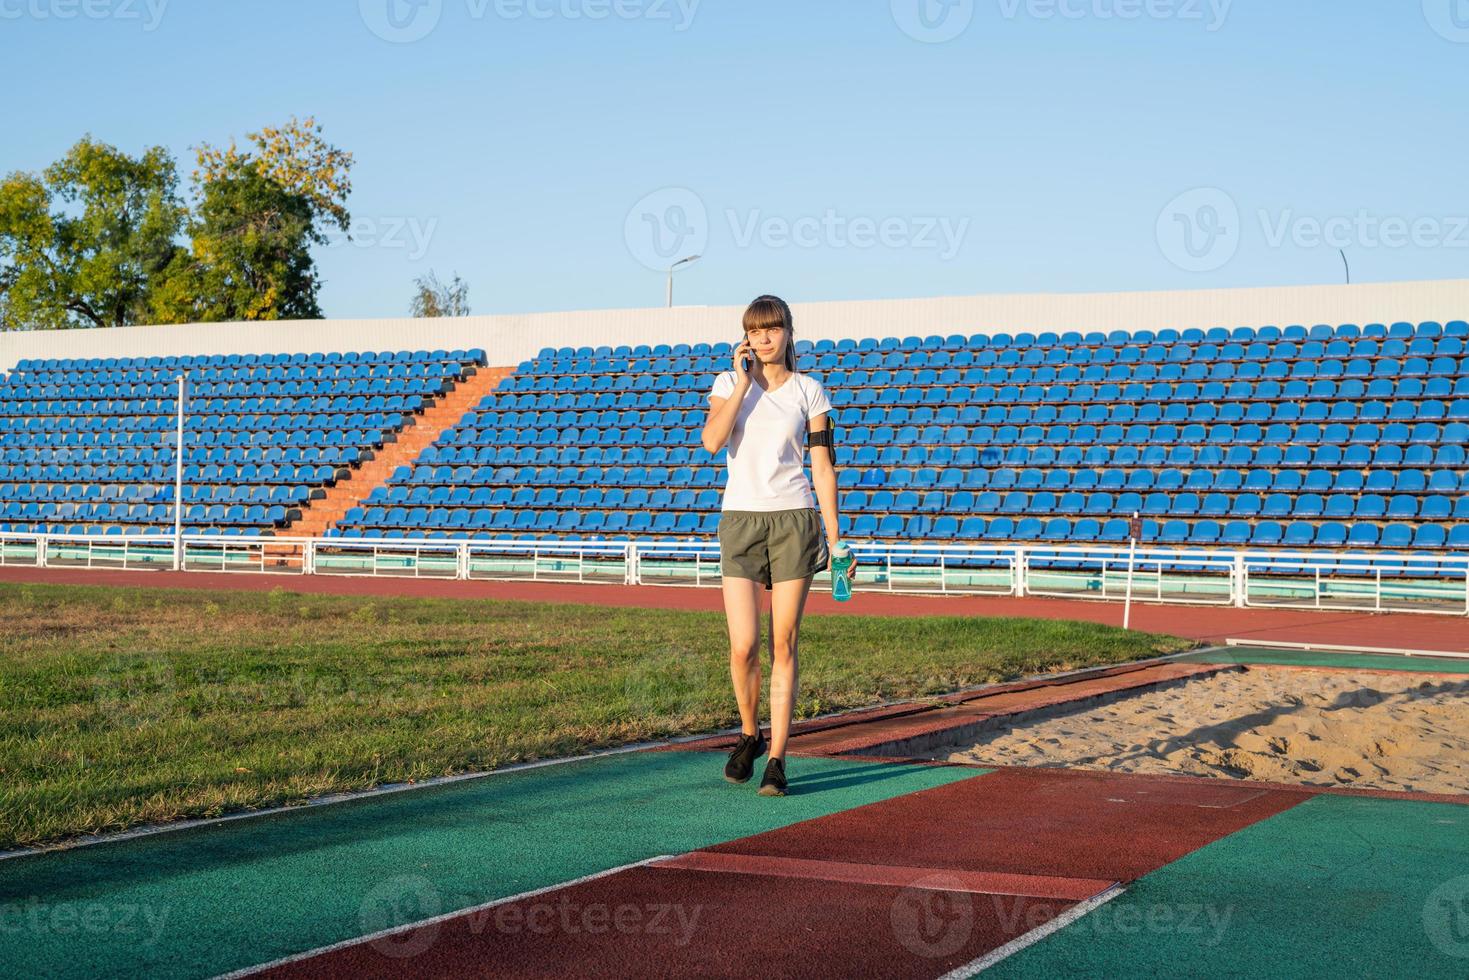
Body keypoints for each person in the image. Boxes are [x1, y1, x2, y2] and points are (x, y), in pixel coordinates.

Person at [700, 294, 854, 796]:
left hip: (794, 520)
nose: (765, 338)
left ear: (789, 331)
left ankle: (779, 759)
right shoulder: (728, 384)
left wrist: (836, 538)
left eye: (773, 328)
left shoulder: (810, 391)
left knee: (783, 643)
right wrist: (743, 383)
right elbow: (711, 441)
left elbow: (823, 466)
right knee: (743, 646)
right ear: (746, 337)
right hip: (740, 520)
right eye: (755, 330)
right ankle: (750, 733)